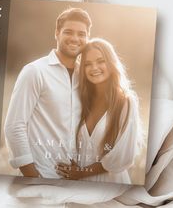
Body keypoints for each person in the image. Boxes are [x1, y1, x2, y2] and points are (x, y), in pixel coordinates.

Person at [4, 7, 92, 178]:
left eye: (81, 34)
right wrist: (32, 175)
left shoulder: (86, 78)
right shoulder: (35, 71)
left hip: (75, 180)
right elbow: (14, 126)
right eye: (68, 32)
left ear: (87, 38)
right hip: (42, 175)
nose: (75, 38)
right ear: (57, 33)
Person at [56, 38, 143, 184]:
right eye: (87, 64)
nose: (94, 67)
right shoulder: (81, 100)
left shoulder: (125, 102)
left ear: (111, 63)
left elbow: (123, 155)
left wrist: (82, 173)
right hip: (78, 189)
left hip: (111, 188)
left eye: (100, 61)